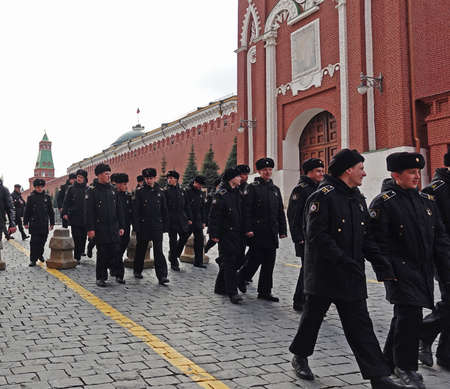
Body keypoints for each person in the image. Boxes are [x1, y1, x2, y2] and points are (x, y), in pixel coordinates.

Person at [289, 149, 407, 389]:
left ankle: (379, 378)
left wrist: (381, 264)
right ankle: (300, 356)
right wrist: (344, 260)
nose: (364, 173)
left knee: (361, 326)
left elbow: (365, 236)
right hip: (324, 275)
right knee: (312, 320)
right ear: (347, 170)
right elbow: (318, 237)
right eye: (361, 168)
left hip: (350, 275)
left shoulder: (356, 197)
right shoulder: (323, 196)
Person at [369, 152, 450, 389]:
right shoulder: (384, 202)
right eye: (411, 173)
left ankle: (387, 361)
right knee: (409, 315)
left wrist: (446, 269)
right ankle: (406, 367)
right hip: (399, 270)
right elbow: (376, 241)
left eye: (418, 172)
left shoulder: (427, 202)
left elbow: (440, 239)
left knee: (403, 317)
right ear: (396, 175)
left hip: (422, 269)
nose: (417, 176)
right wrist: (386, 269)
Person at [237, 157, 287, 302]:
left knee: (269, 263)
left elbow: (279, 212)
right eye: (265, 170)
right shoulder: (252, 188)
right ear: (259, 171)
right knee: (254, 260)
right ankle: (241, 277)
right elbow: (246, 211)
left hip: (271, 232)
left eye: (270, 169)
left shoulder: (275, 190)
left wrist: (282, 230)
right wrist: (248, 229)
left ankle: (265, 291)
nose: (268, 172)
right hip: (257, 232)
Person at [419, 150, 450, 370]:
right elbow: (430, 229)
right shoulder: (435, 191)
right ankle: (424, 332)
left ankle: (445, 355)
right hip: (443, 256)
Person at [287, 158, 324, 311]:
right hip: (304, 238)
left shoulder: (319, 187)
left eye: (322, 170)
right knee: (307, 270)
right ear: (309, 173)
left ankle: (308, 300)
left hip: (315, 237)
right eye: (318, 171)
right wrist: (298, 238)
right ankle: (299, 301)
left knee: (313, 270)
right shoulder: (301, 189)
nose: (322, 173)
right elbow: (293, 215)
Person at [85, 164, 125, 286]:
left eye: (109, 173)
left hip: (113, 226)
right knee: (102, 253)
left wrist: (122, 226)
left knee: (117, 252)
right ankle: (101, 277)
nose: (108, 176)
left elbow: (119, 209)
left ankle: (118, 274)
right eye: (105, 174)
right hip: (100, 227)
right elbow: (88, 212)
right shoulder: (92, 191)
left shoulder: (113, 190)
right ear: (98, 175)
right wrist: (90, 229)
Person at [209, 168, 244, 304]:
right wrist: (214, 235)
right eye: (238, 176)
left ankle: (220, 286)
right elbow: (214, 217)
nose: (240, 178)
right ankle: (232, 292)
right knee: (230, 262)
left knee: (237, 259)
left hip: (238, 233)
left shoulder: (237, 192)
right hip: (226, 233)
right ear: (231, 179)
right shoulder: (221, 194)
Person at [132, 168, 169, 284]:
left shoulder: (160, 192)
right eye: (147, 178)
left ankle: (162, 276)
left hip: (157, 225)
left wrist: (165, 226)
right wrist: (136, 227)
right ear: (144, 179)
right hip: (143, 226)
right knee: (141, 249)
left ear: (155, 178)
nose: (149, 180)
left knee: (158, 251)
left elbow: (164, 210)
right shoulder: (139, 192)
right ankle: (137, 270)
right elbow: (136, 211)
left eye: (151, 178)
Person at [164, 170, 192, 271]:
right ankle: (174, 262)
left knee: (185, 236)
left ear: (176, 179)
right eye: (168, 178)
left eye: (171, 178)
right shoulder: (165, 191)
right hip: (171, 219)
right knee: (172, 240)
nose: (169, 180)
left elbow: (187, 205)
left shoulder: (182, 191)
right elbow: (164, 207)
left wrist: (189, 218)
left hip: (181, 218)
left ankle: (173, 254)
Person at [178, 175, 208, 268]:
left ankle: (198, 262)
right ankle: (174, 256)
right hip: (189, 221)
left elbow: (203, 207)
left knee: (199, 241)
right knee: (183, 239)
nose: (200, 186)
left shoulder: (200, 193)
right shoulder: (187, 191)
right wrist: (187, 219)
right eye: (199, 184)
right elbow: (184, 207)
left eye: (201, 185)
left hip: (198, 221)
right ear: (195, 182)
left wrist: (203, 221)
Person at [23, 179, 55, 266]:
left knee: (43, 241)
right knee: (34, 242)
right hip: (34, 223)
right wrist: (25, 222)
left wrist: (52, 222)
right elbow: (27, 211)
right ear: (35, 187)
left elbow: (51, 211)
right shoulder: (31, 198)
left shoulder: (47, 197)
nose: (39, 189)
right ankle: (33, 259)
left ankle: (40, 254)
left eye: (41, 187)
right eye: (37, 187)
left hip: (44, 223)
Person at [62, 169, 88, 263]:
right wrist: (64, 213)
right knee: (76, 237)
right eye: (78, 177)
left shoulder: (88, 189)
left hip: (85, 217)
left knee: (83, 236)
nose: (79, 179)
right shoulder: (71, 188)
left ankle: (81, 251)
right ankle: (77, 257)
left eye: (81, 177)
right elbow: (66, 202)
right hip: (75, 216)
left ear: (85, 179)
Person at [115, 173, 132, 260]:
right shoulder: (113, 195)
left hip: (126, 224)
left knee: (125, 242)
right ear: (118, 184)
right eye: (124, 184)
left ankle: (118, 258)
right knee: (116, 245)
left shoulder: (128, 196)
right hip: (116, 225)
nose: (126, 186)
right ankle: (116, 262)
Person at [0, 179, 16, 244]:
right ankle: (7, 235)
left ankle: (6, 236)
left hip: (1, 215)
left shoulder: (4, 190)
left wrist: (12, 223)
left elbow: (9, 206)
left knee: (2, 225)